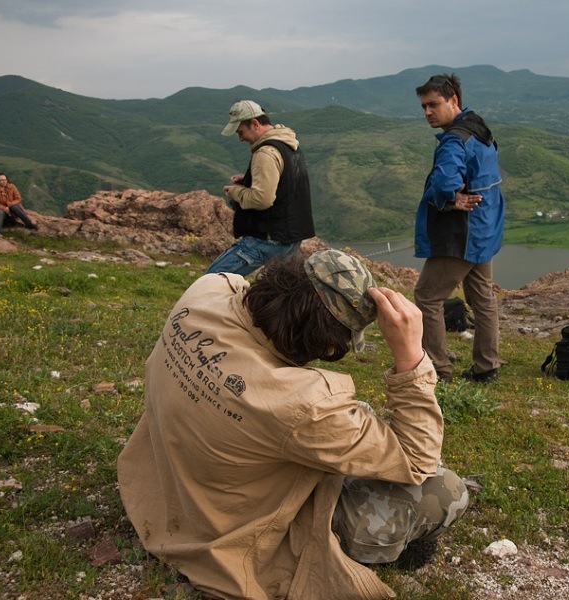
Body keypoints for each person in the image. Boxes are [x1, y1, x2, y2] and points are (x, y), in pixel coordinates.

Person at [118, 249, 468, 599]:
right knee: (445, 490)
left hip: (163, 491)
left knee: (354, 421)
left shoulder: (206, 289)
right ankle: (379, 550)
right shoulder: (303, 404)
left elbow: (236, 285)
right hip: (225, 530)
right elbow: (419, 459)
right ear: (330, 345)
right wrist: (410, 357)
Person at [412, 73, 505, 383]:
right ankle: (486, 367)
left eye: (433, 104)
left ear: (454, 101)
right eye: (423, 106)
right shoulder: (479, 128)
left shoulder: (455, 139)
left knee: (427, 297)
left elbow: (443, 182)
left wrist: (449, 200)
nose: (427, 112)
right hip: (484, 230)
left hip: (460, 235)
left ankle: (438, 369)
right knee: (482, 298)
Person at [206, 100, 315, 276]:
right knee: (278, 290)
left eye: (240, 132)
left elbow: (261, 199)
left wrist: (235, 192)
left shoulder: (265, 153)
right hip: (292, 235)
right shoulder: (288, 143)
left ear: (255, 123)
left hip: (269, 237)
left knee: (212, 280)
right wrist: (249, 179)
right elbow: (287, 181)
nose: (240, 138)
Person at [0, 172, 38, 238]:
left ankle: (29, 224)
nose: (4, 181)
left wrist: (9, 205)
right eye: (1, 180)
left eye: (5, 179)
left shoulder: (12, 187)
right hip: (2, 213)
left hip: (13, 210)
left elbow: (18, 198)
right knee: (0, 210)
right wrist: (4, 208)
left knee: (14, 206)